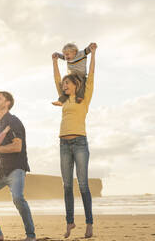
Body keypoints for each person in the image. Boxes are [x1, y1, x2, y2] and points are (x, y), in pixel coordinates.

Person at [52, 43, 97, 238]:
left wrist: (93, 54)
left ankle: (89, 223)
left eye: (67, 84)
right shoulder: (64, 98)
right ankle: (70, 222)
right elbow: (56, 78)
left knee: (83, 185)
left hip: (79, 143)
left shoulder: (84, 98)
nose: (64, 86)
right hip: (63, 144)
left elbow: (92, 76)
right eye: (63, 85)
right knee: (67, 186)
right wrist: (54, 62)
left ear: (75, 84)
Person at [0, 91, 36, 241]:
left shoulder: (14, 121)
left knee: (17, 198)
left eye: (0, 98)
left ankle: (31, 236)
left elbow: (17, 147)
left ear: (8, 103)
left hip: (17, 168)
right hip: (1, 171)